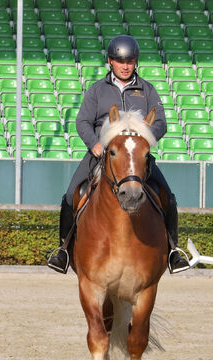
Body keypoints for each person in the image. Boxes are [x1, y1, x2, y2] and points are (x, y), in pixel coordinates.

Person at [47, 34, 190, 274]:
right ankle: (63, 249)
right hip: (103, 153)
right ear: (110, 61)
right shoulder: (97, 90)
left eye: (130, 61)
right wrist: (93, 143)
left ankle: (174, 251)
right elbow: (82, 121)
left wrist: (144, 139)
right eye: (120, 61)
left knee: (168, 196)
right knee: (71, 193)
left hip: (135, 157)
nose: (125, 66)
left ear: (136, 62)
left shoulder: (146, 89)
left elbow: (161, 122)